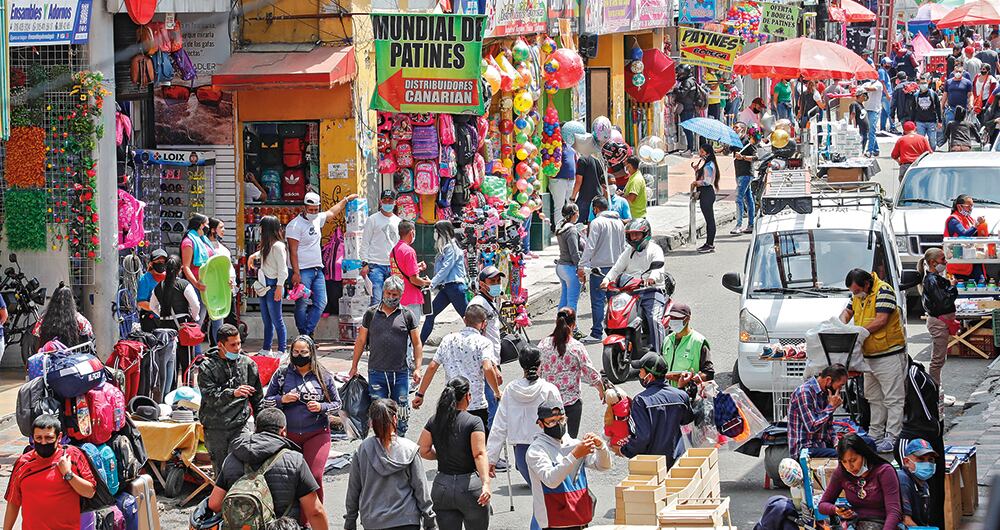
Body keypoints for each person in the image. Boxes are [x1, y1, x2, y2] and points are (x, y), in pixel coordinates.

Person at [207, 408, 329, 528]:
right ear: (283, 431)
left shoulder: (232, 457)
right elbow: (315, 512)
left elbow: (215, 503)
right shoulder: (295, 460)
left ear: (256, 429)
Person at [264, 335, 342, 500]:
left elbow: (337, 404)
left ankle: (315, 518)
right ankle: (295, 520)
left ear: (311, 353)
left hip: (317, 433)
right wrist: (281, 400)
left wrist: (321, 407)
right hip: (288, 436)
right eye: (296, 352)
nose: (299, 356)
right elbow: (265, 402)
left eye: (304, 352)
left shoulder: (323, 375)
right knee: (289, 480)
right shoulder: (282, 374)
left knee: (314, 477)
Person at [839, 269, 907, 453]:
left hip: (888, 355)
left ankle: (893, 437)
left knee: (893, 399)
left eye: (856, 291)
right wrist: (840, 325)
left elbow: (881, 320)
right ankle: (875, 435)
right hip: (869, 357)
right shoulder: (857, 296)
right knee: (874, 398)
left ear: (866, 285)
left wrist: (858, 332)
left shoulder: (884, 291)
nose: (855, 295)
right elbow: (847, 312)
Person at [345, 399, 437, 530]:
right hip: (407, 520)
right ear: (395, 418)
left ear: (371, 423)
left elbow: (353, 490)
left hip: (373, 522)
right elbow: (421, 489)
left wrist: (350, 520)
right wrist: (429, 519)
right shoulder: (410, 449)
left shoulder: (362, 451)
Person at [349, 276, 422, 436]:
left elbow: (417, 343)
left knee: (402, 409)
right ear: (383, 292)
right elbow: (361, 340)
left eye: (395, 294)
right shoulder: (371, 313)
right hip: (376, 372)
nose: (390, 297)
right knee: (378, 410)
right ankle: (381, 441)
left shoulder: (407, 315)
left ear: (401, 295)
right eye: (388, 293)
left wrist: (417, 368)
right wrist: (354, 366)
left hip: (401, 373)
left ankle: (400, 439)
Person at [418, 377, 491, 530]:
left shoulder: (435, 420)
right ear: (467, 396)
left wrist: (443, 454)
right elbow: (479, 454)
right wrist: (485, 484)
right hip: (469, 486)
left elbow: (423, 449)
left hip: (441, 486)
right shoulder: (474, 422)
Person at [412, 305, 500, 433]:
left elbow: (432, 367)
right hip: (475, 404)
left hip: (451, 402)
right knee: (477, 446)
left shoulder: (448, 339)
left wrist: (420, 394)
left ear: (464, 320)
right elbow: (487, 367)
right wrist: (497, 391)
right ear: (484, 324)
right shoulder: (484, 343)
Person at [526, 401, 612, 530]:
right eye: (552, 421)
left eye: (561, 419)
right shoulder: (536, 450)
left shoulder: (575, 444)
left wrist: (601, 447)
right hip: (554, 521)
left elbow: (603, 466)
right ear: (540, 424)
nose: (558, 424)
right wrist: (574, 455)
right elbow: (551, 480)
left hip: (580, 518)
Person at [3, 415, 96, 530]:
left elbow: (90, 492)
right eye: (38, 438)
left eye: (48, 438)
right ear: (33, 438)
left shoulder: (73, 456)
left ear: (59, 437)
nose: (43, 442)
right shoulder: (22, 463)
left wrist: (68, 474)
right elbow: (13, 502)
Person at [486, 347, 561, 489]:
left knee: (538, 494)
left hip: (522, 453)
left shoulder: (510, 389)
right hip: (546, 448)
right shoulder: (549, 389)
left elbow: (499, 426)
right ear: (540, 364)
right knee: (549, 496)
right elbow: (560, 422)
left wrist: (492, 458)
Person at [286, 192, 356, 337]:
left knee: (321, 302)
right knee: (302, 304)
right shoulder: (294, 225)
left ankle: (306, 333)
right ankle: (305, 335)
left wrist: (346, 200)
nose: (313, 212)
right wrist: (296, 273)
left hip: (318, 269)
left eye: (315, 209)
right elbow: (293, 251)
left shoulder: (318, 219)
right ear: (304, 207)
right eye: (310, 209)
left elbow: (331, 212)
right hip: (302, 271)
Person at [197, 323, 262, 476]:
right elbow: (210, 397)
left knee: (245, 471)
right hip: (216, 428)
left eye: (239, 343)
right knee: (222, 474)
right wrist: (233, 393)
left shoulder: (248, 364)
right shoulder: (207, 367)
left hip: (240, 426)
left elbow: (258, 398)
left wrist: (261, 425)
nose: (237, 348)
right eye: (233, 345)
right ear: (220, 345)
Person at [602, 218, 667, 353]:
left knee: (653, 318)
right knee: (611, 315)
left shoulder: (655, 250)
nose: (634, 237)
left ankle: (659, 355)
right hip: (630, 292)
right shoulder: (628, 251)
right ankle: (616, 353)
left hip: (652, 291)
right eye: (632, 234)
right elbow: (617, 268)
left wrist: (652, 278)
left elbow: (658, 269)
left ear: (645, 234)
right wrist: (607, 280)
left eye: (637, 234)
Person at [618, 352, 694, 467]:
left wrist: (625, 450)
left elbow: (642, 438)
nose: (639, 374)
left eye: (641, 371)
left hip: (652, 465)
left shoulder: (641, 401)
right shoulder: (682, 396)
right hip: (678, 462)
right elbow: (688, 426)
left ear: (650, 376)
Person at [538, 308, 604, 438]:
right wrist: (601, 389)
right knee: (570, 444)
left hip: (548, 403)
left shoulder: (543, 344)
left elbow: (538, 371)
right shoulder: (576, 347)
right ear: (573, 325)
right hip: (571, 404)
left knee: (550, 443)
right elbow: (589, 372)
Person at [818, 434, 902, 529]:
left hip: (883, 524)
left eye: (853, 460)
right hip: (856, 523)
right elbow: (822, 505)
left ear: (864, 455)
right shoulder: (841, 472)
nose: (849, 467)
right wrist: (836, 510)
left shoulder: (884, 471)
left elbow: (894, 512)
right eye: (844, 462)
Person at [579, 196, 626, 342]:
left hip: (599, 268)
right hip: (616, 268)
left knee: (598, 301)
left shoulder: (596, 222)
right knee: (614, 301)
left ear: (595, 209)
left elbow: (590, 246)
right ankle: (617, 330)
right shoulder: (619, 222)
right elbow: (623, 246)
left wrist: (582, 264)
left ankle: (597, 333)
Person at [150, 255, 199, 392]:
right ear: (180, 269)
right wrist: (193, 318)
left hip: (164, 328)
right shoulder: (184, 285)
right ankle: (187, 392)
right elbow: (195, 305)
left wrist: (163, 316)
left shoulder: (159, 286)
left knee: (169, 363)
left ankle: (168, 393)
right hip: (183, 327)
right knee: (187, 362)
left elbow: (152, 306)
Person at [468, 266, 506, 426]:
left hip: (492, 361)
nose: (497, 284)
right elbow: (477, 337)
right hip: (486, 364)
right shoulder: (478, 304)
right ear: (482, 284)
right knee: (492, 407)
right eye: (492, 281)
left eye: (498, 280)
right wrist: (493, 366)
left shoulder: (489, 301)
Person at [420, 220, 469, 343]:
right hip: (447, 289)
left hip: (455, 288)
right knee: (430, 315)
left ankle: (481, 344)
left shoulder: (452, 248)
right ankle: (418, 347)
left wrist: (432, 283)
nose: (435, 234)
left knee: (469, 319)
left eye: (436, 231)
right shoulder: (446, 248)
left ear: (443, 232)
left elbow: (445, 268)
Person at [787, 364, 848, 458]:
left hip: (822, 444)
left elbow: (829, 426)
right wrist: (831, 406)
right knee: (843, 456)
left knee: (864, 444)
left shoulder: (825, 393)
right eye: (840, 386)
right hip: (805, 449)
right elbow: (811, 427)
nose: (840, 390)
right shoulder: (804, 393)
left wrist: (836, 443)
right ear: (828, 380)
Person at [251, 215, 288, 355]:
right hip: (264, 286)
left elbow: (283, 270)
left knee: (277, 320)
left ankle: (282, 350)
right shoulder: (268, 245)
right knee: (267, 320)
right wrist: (252, 256)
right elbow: (260, 254)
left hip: (273, 287)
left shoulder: (278, 246)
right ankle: (266, 348)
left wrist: (279, 287)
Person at [361, 190, 402, 305]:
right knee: (376, 299)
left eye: (390, 200)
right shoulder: (372, 219)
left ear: (395, 203)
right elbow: (365, 243)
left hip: (393, 265)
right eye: (385, 200)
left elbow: (399, 245)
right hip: (375, 265)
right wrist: (365, 263)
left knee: (393, 299)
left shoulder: (399, 221)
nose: (387, 202)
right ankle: (374, 322)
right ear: (380, 201)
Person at [390, 219, 431, 333]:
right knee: (411, 334)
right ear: (411, 232)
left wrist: (417, 267)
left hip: (398, 298)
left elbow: (401, 270)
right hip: (411, 298)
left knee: (400, 333)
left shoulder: (394, 251)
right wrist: (427, 282)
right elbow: (414, 279)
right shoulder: (409, 251)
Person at [661, 303, 715, 389]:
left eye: (677, 318)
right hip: (667, 393)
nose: (673, 321)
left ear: (687, 319)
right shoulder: (667, 340)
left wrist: (690, 380)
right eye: (672, 317)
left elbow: (708, 373)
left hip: (687, 395)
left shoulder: (699, 342)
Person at [180, 214, 214, 335]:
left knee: (207, 317)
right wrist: (196, 283)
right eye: (206, 224)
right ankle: (195, 350)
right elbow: (186, 267)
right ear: (200, 225)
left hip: (207, 284)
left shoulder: (203, 240)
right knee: (197, 318)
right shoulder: (189, 242)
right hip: (196, 286)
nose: (208, 227)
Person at [35, 282, 94, 349]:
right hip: (72, 356)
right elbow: (89, 336)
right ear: (71, 300)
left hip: (49, 356)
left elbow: (36, 336)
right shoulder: (79, 319)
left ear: (53, 299)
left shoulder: (43, 319)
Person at [205, 218, 236, 344]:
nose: (224, 230)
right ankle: (216, 346)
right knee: (216, 319)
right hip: (214, 288)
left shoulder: (223, 248)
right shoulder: (205, 247)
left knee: (227, 318)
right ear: (213, 229)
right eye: (221, 227)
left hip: (228, 287)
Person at [895, 439, 937, 527]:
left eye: (930, 460)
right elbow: (906, 521)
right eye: (921, 459)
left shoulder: (923, 483)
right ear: (906, 462)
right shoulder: (903, 481)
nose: (927, 464)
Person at [945, 194, 986, 282]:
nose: (971, 209)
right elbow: (964, 234)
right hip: (959, 260)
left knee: (981, 283)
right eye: (968, 206)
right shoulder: (953, 220)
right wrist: (976, 225)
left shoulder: (969, 218)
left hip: (972, 258)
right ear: (959, 207)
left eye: (972, 206)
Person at [555, 203, 584, 313]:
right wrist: (580, 267)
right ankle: (573, 328)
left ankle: (561, 325)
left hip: (561, 267)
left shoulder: (561, 226)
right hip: (569, 268)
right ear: (574, 214)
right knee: (572, 302)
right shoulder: (571, 230)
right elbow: (574, 253)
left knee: (564, 299)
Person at [691, 143, 719, 253]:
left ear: (708, 153)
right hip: (705, 193)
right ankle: (708, 243)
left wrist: (696, 182)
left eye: (702, 152)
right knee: (708, 220)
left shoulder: (709, 165)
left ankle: (710, 244)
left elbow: (707, 181)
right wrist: (697, 171)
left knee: (710, 220)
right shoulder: (707, 164)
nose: (700, 154)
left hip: (707, 193)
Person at [732, 123, 758, 235]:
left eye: (736, 127)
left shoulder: (748, 142)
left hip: (746, 173)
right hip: (738, 173)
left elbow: (756, 157)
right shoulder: (735, 142)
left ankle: (738, 225)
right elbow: (726, 151)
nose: (735, 129)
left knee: (738, 198)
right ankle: (751, 224)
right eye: (734, 128)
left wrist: (742, 157)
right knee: (748, 198)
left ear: (742, 129)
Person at [136, 248, 168, 332]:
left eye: (163, 262)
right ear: (151, 264)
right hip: (151, 320)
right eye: (158, 262)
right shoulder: (145, 280)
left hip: (168, 320)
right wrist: (158, 309)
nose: (161, 264)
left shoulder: (170, 277)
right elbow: (141, 302)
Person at [910, 74, 942, 149]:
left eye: (924, 83)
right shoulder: (916, 95)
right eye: (921, 83)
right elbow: (913, 109)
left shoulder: (933, 94)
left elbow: (937, 107)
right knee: (920, 142)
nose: (923, 85)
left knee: (932, 142)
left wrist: (940, 121)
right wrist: (912, 122)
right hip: (920, 121)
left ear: (928, 83)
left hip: (931, 121)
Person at [573, 147, 606, 222]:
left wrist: (573, 197)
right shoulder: (597, 161)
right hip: (598, 197)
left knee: (578, 223)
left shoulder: (582, 160)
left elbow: (578, 181)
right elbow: (602, 181)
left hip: (585, 198)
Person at [550, 138, 576, 228]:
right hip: (559, 180)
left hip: (571, 180)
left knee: (572, 205)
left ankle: (571, 227)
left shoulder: (572, 149)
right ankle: (559, 229)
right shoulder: (556, 147)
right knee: (559, 206)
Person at [860, 80, 884, 156]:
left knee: (871, 130)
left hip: (874, 110)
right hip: (866, 109)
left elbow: (872, 89)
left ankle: (869, 150)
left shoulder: (878, 84)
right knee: (870, 131)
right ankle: (876, 149)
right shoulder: (866, 83)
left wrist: (861, 88)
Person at [622, 155, 647, 220]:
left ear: (629, 166)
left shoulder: (636, 179)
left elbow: (631, 198)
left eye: (626, 166)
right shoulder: (633, 176)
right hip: (634, 215)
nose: (625, 168)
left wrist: (620, 197)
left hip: (636, 217)